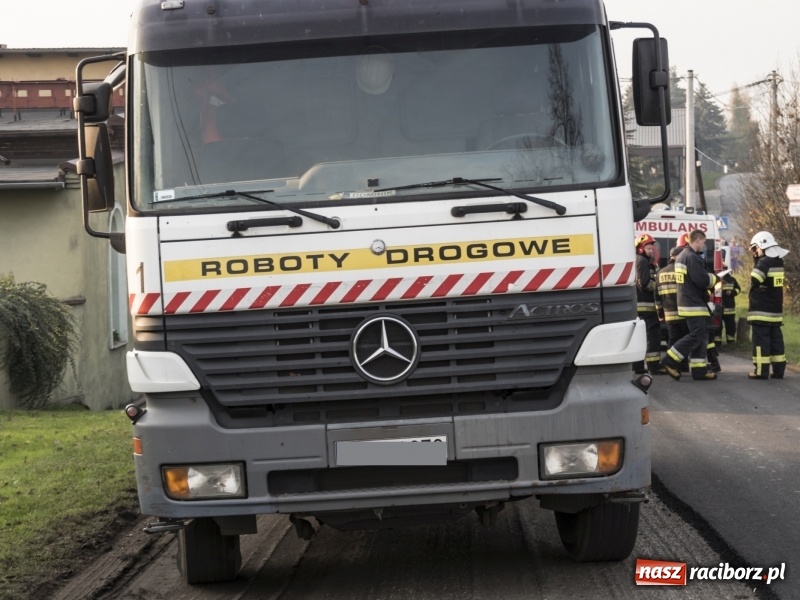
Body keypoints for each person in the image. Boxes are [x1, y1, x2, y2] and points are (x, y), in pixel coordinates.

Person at [660, 229, 719, 381]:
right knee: (696, 335)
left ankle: (699, 370)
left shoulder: (681, 256)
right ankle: (670, 359)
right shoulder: (692, 257)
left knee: (701, 335)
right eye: (704, 242)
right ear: (698, 240)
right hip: (693, 304)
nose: (704, 246)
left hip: (687, 302)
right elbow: (702, 281)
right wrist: (715, 279)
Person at [747, 231, 789, 379]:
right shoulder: (779, 261)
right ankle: (778, 371)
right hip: (775, 311)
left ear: (761, 245)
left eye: (755, 248)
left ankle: (760, 371)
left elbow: (755, 278)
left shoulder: (764, 262)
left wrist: (757, 284)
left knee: (761, 342)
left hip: (761, 311)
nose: (755, 252)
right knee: (776, 341)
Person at [633, 234, 665, 375]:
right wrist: (660, 287)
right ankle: (654, 366)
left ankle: (638, 366)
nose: (651, 250)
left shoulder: (643, 261)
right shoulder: (642, 262)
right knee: (653, 337)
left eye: (651, 248)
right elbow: (645, 283)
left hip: (642, 308)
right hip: (646, 309)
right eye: (648, 247)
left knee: (640, 338)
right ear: (640, 248)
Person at [719, 269, 741, 345]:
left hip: (729, 308)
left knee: (730, 326)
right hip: (719, 308)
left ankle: (731, 343)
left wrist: (732, 292)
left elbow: (738, 289)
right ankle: (717, 343)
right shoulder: (717, 279)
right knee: (718, 327)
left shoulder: (732, 280)